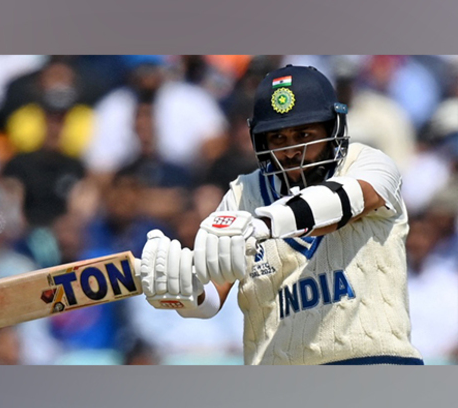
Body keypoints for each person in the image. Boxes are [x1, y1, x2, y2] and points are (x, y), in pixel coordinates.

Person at [138, 65, 424, 365]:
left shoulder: (368, 163)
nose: (292, 151)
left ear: (333, 129)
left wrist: (262, 225)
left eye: (304, 134)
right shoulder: (242, 194)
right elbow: (210, 298)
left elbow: (342, 201)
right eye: (278, 138)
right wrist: (184, 287)